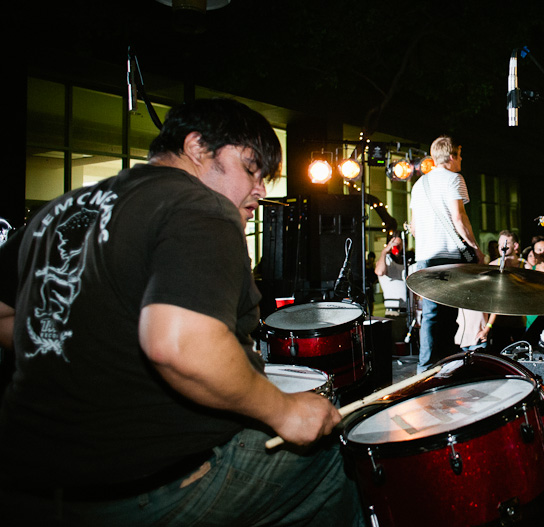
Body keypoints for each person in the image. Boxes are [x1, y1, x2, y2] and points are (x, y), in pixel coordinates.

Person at [0, 99, 361, 525]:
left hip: (26, 480)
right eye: (250, 168)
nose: (260, 190)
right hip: (142, 490)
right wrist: (284, 411)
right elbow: (180, 346)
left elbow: (8, 318)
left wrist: (95, 341)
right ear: (196, 147)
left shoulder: (58, 213)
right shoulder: (200, 208)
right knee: (331, 464)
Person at [409, 135, 482, 372]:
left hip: (425, 256)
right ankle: (437, 364)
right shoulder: (454, 178)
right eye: (460, 155)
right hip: (449, 255)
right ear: (452, 156)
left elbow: (414, 227)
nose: (461, 160)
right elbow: (459, 218)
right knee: (448, 311)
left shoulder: (419, 184)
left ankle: (430, 364)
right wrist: (475, 247)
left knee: (432, 313)